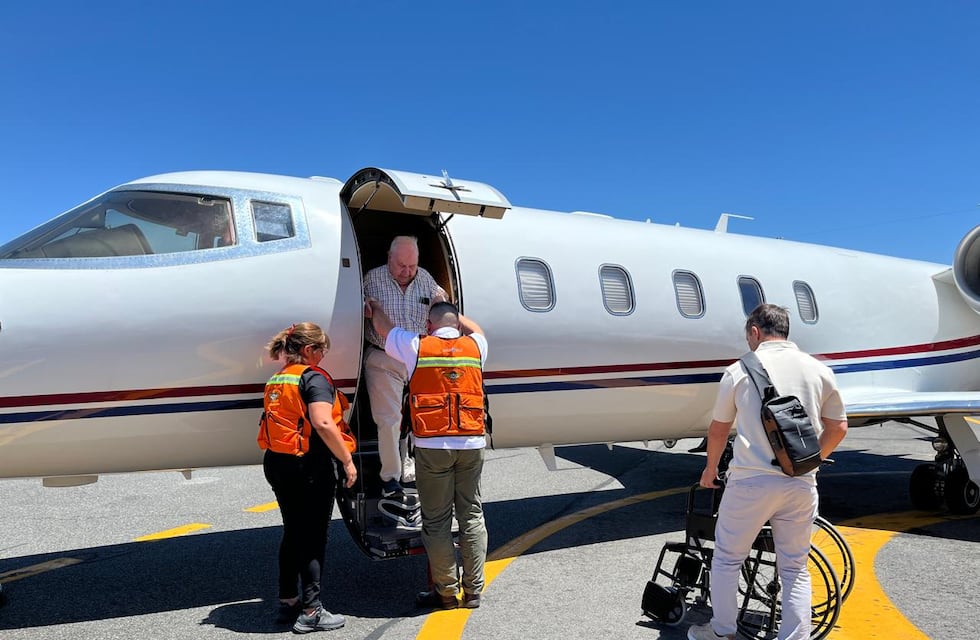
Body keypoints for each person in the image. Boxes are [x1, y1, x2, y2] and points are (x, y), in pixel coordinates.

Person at [687, 304, 848, 640]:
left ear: (756, 332)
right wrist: (809, 461)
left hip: (750, 481)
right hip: (801, 484)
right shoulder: (818, 370)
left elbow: (718, 430)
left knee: (728, 560)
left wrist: (710, 469)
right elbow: (838, 428)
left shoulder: (739, 370)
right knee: (794, 568)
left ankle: (722, 633)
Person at [365, 300, 488, 610]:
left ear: (429, 325)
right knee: (472, 515)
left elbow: (384, 329)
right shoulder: (476, 347)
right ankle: (473, 591)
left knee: (436, 521)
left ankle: (446, 593)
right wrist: (457, 315)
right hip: (471, 443)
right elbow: (478, 330)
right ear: (457, 324)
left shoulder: (417, 345)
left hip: (433, 446)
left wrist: (375, 307)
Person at [257, 322, 357, 634]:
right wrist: (347, 461)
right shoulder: (313, 378)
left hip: (277, 462)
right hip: (309, 467)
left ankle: (288, 600)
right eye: (322, 351)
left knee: (293, 531)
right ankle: (312, 610)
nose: (323, 357)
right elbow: (323, 423)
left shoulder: (278, 379)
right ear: (308, 350)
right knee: (313, 536)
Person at [363, 235, 448, 497]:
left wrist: (441, 302)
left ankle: (426, 469)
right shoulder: (372, 279)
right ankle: (391, 478)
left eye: (412, 266)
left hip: (419, 356)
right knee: (389, 419)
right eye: (401, 266)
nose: (407, 272)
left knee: (425, 416)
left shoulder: (424, 278)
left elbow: (441, 300)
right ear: (389, 258)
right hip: (383, 356)